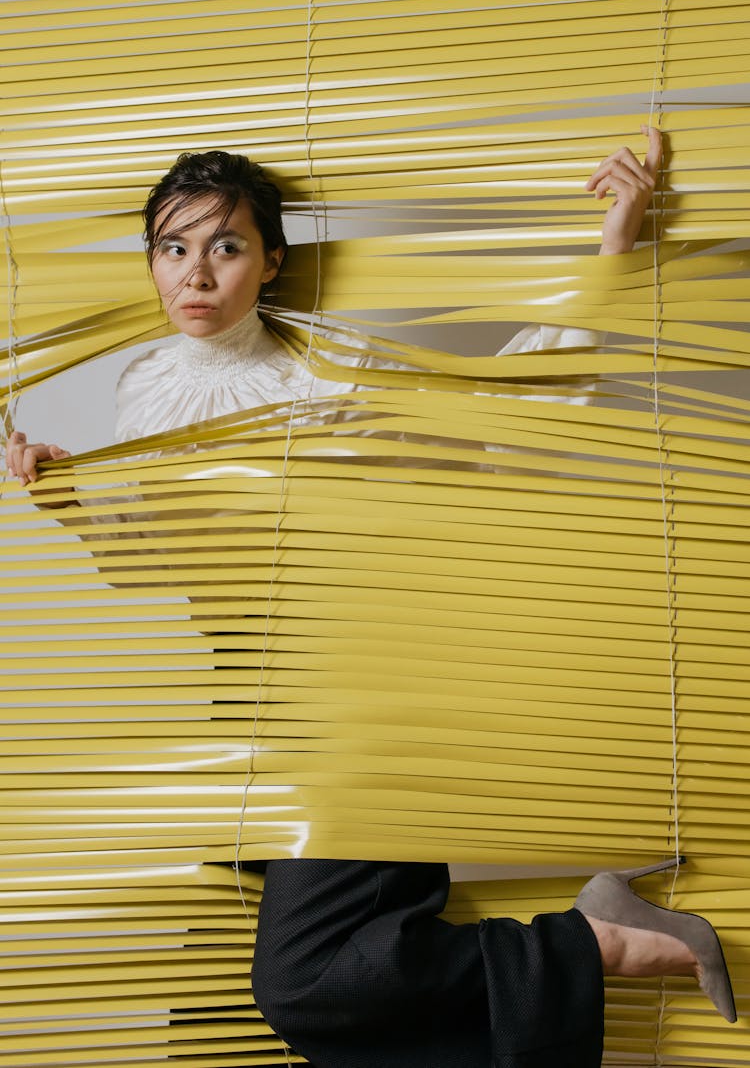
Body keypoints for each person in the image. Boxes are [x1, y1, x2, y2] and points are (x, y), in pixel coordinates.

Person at [5, 130, 736, 1068]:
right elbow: (163, 567)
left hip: (352, 687)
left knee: (301, 978)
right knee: (242, 998)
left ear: (270, 261)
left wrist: (614, 240)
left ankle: (597, 943)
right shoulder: (141, 383)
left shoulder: (320, 375)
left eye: (224, 246)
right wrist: (67, 504)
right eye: (173, 247)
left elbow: (506, 413)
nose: (196, 274)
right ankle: (591, 936)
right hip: (253, 695)